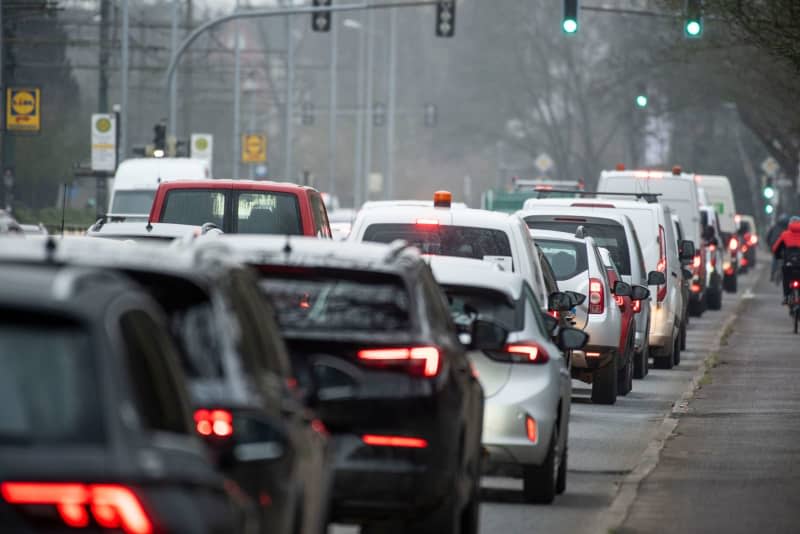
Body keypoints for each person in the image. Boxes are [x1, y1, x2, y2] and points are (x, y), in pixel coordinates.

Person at [772, 216, 800, 304]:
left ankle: (787, 297)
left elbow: (775, 248)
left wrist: (778, 256)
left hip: (789, 263)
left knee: (786, 278)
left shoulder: (785, 234)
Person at [767, 214, 791, 282]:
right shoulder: (788, 228)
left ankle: (772, 275)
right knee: (785, 260)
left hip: (775, 245)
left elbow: (768, 236)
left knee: (775, 260)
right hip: (784, 247)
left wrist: (769, 245)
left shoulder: (774, 227)